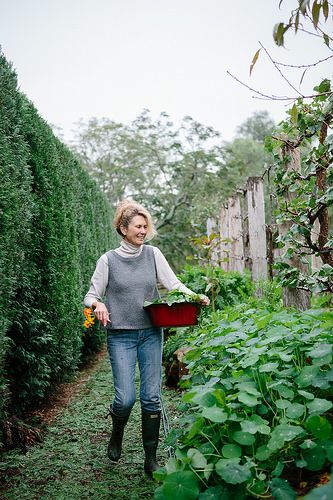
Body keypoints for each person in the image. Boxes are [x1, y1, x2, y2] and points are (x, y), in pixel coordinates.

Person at [84, 199, 209, 476]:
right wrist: (98, 305)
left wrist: (195, 297)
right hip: (121, 336)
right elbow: (90, 296)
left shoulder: (153, 254)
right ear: (123, 228)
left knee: (151, 397)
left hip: (152, 333)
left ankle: (150, 459)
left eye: (145, 226)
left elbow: (173, 284)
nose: (143, 231)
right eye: (138, 226)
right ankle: (117, 434)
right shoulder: (108, 260)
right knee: (125, 398)